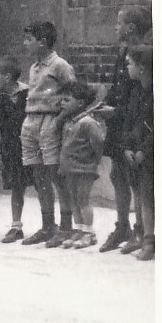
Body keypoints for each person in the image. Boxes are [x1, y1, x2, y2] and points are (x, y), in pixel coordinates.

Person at [18, 20, 77, 247]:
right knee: (38, 174)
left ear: (42, 42)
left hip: (50, 121)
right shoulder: (34, 67)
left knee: (55, 174)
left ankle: (66, 226)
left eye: (29, 40)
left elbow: (75, 94)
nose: (25, 44)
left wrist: (60, 120)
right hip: (31, 121)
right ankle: (47, 225)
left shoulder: (60, 65)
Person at [102, 5, 151, 252]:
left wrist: (117, 111)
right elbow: (116, 87)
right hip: (117, 121)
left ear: (130, 28)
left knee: (137, 178)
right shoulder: (122, 53)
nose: (115, 27)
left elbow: (140, 94)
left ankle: (141, 230)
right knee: (116, 174)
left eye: (119, 23)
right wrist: (104, 105)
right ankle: (123, 226)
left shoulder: (144, 54)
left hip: (131, 121)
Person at [56, 80, 110, 249]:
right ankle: (79, 229)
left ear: (80, 103)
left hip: (84, 168)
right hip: (69, 168)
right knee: (73, 199)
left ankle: (89, 233)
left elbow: (98, 144)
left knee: (83, 199)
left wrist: (93, 162)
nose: (62, 103)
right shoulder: (68, 121)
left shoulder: (88, 122)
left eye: (67, 100)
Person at [0, 56, 31, 243]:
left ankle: (50, 224)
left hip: (31, 148)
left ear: (7, 78)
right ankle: (16, 226)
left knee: (42, 184)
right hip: (10, 151)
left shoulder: (28, 94)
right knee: (16, 187)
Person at [120, 45, 154, 260]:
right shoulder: (135, 93)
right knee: (142, 195)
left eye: (129, 64)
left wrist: (145, 150)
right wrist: (127, 147)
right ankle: (143, 235)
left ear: (142, 67)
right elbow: (129, 122)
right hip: (136, 153)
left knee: (150, 197)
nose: (127, 68)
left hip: (150, 154)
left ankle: (150, 240)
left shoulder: (156, 93)